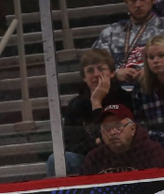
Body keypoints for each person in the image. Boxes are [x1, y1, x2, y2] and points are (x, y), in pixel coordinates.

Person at [50, 48, 134, 176]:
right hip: (89, 161)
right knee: (56, 160)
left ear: (112, 73)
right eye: (90, 70)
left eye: (101, 69)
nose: (96, 74)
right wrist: (96, 102)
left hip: (123, 157)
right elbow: (71, 142)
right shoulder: (76, 105)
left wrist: (100, 140)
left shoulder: (124, 98)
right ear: (84, 78)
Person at [92, 0, 164, 88]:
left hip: (159, 89)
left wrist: (152, 73)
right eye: (133, 1)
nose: (138, 5)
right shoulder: (110, 32)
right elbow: (94, 63)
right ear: (126, 2)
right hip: (119, 92)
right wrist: (115, 73)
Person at [79, 103, 164, 174]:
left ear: (133, 129)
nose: (112, 132)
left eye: (118, 126)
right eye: (107, 129)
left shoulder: (153, 151)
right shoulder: (94, 158)